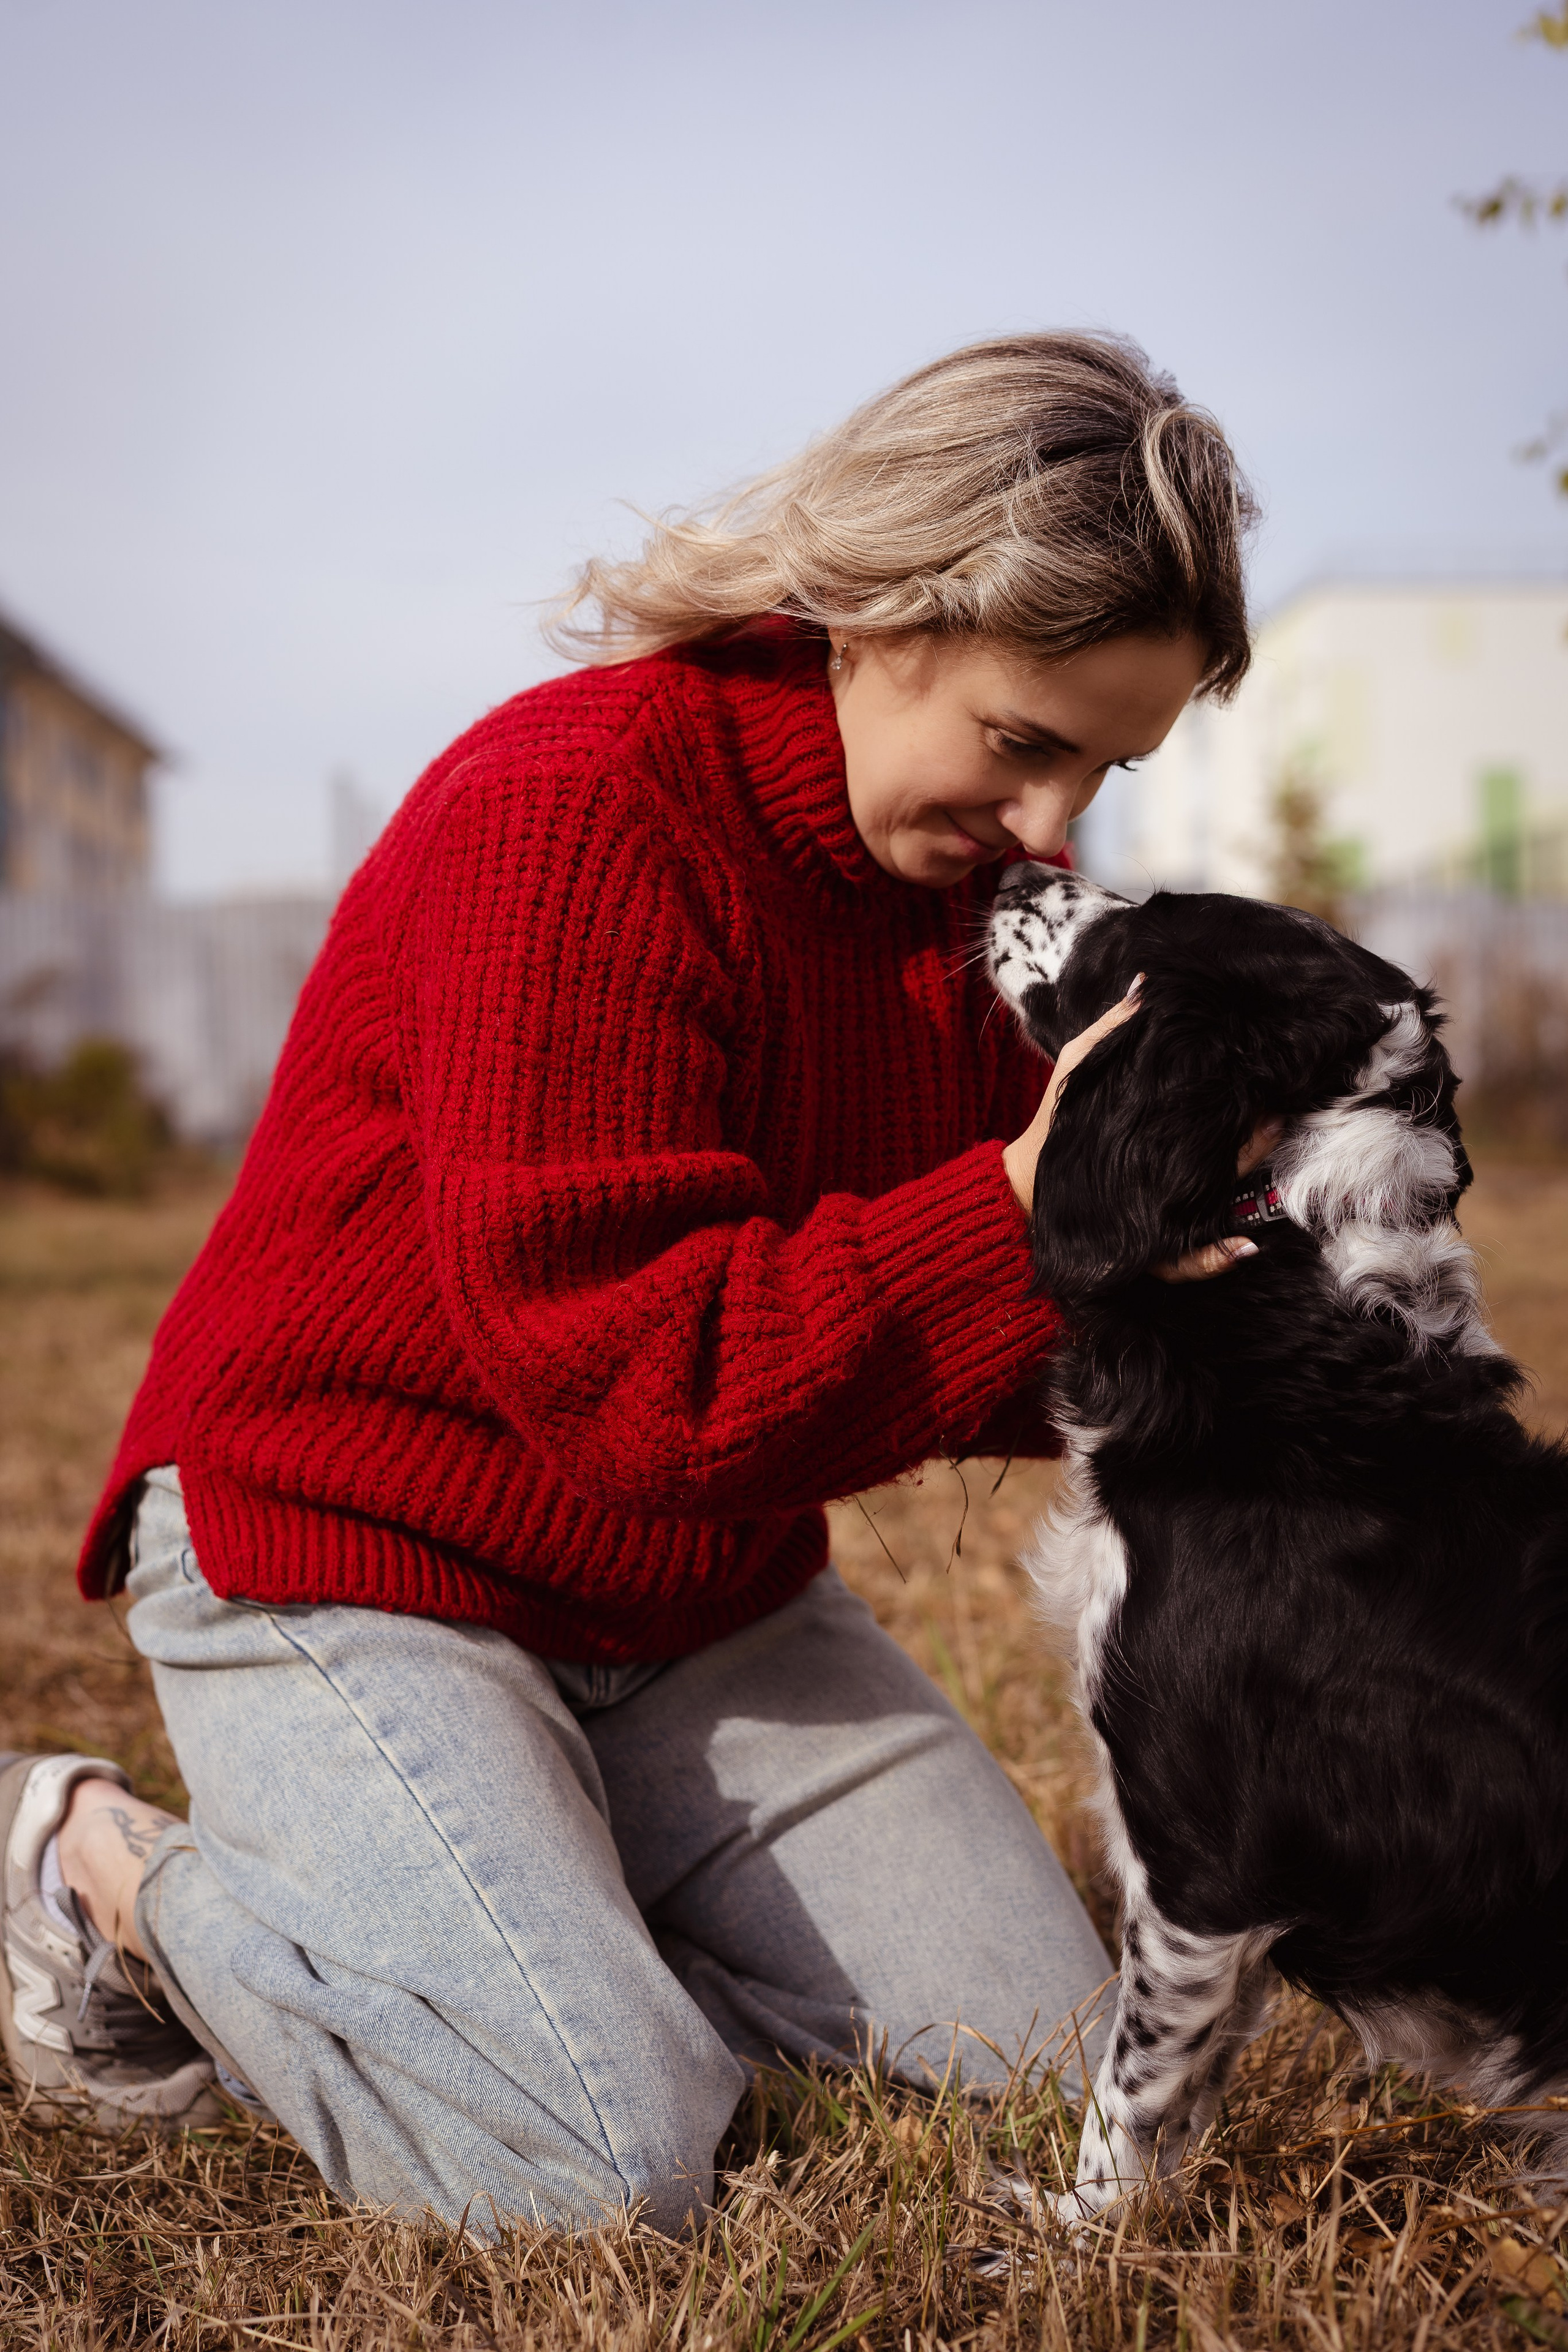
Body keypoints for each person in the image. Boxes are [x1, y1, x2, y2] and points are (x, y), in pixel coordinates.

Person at [0, 332, 1264, 2234]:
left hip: (692, 1594)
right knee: (599, 2158)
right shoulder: (576, 813)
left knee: (1033, 2057)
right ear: (871, 612)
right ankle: (80, 1861)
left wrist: (1226, 1278)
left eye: (1102, 764)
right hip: (356, 1537)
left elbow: (1027, 1337)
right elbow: (643, 1380)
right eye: (1026, 738)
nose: (1050, 822)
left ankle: (516, 1917)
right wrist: (1025, 1206)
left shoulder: (959, 908)